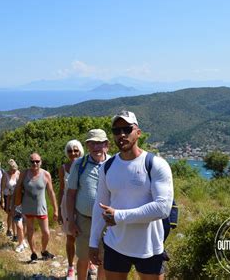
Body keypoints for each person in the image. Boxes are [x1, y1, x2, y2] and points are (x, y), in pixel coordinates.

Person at [89, 110, 174, 280]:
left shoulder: (156, 164)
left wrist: (119, 216)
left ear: (138, 133)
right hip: (115, 245)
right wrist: (93, 242)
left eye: (127, 129)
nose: (121, 134)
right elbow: (100, 205)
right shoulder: (107, 167)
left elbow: (162, 208)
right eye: (116, 131)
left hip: (149, 246)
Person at [67, 129, 110, 280]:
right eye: (93, 143)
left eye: (100, 143)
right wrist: (71, 221)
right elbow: (70, 194)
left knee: (104, 259)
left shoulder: (114, 164)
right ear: (88, 145)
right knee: (84, 257)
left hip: (107, 221)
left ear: (107, 145)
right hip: (84, 220)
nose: (96, 147)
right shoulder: (79, 165)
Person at [14, 152, 58, 263]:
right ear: (29, 162)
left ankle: (43, 250)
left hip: (41, 207)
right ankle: (33, 252)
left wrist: (56, 209)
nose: (35, 163)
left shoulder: (46, 174)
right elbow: (18, 188)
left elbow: (51, 192)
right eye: (32, 161)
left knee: (46, 232)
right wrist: (15, 203)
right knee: (30, 230)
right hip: (28, 207)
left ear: (41, 162)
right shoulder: (24, 173)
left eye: (37, 161)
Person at [58, 139, 85, 279]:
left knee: (85, 235)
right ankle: (70, 267)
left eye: (76, 150)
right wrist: (57, 210)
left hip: (82, 205)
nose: (73, 153)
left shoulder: (86, 166)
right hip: (67, 206)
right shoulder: (63, 168)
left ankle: (88, 263)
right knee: (70, 237)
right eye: (70, 150)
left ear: (80, 150)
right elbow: (62, 189)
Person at [1, 159, 20, 240]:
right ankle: (11, 231)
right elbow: (2, 188)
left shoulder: (18, 173)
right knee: (11, 214)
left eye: (15, 170)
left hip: (15, 197)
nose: (13, 171)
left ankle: (12, 232)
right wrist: (2, 200)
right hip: (7, 197)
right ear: (9, 169)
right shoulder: (5, 175)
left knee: (13, 214)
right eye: (12, 170)